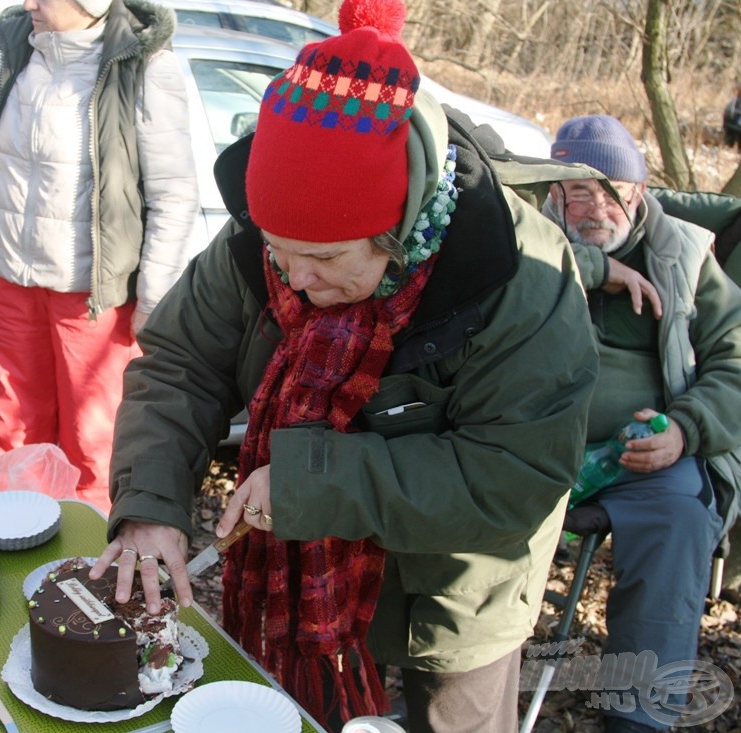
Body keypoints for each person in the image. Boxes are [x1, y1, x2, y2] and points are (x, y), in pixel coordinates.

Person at [89, 0, 599, 729]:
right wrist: (148, 506)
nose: (294, 279)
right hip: (303, 588)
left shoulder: (519, 279)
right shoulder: (259, 240)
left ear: (397, 231)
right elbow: (180, 364)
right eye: (279, 249)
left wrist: (311, 480)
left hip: (455, 587)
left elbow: (512, 474)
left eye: (325, 258)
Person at [0, 0, 199, 513]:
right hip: (8, 280)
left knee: (95, 445)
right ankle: (11, 552)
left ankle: (85, 568)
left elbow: (173, 196)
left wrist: (154, 304)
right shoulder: (19, 51)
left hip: (91, 296)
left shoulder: (145, 64)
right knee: (12, 436)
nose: (26, 4)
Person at [543, 114, 741, 732]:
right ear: (553, 193)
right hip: (528, 445)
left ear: (640, 189)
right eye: (579, 190)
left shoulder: (683, 253)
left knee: (680, 515)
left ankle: (640, 718)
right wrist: (587, 267)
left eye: (613, 189)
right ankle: (452, 696)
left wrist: (685, 429)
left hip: (647, 454)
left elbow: (735, 358)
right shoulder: (523, 243)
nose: (596, 206)